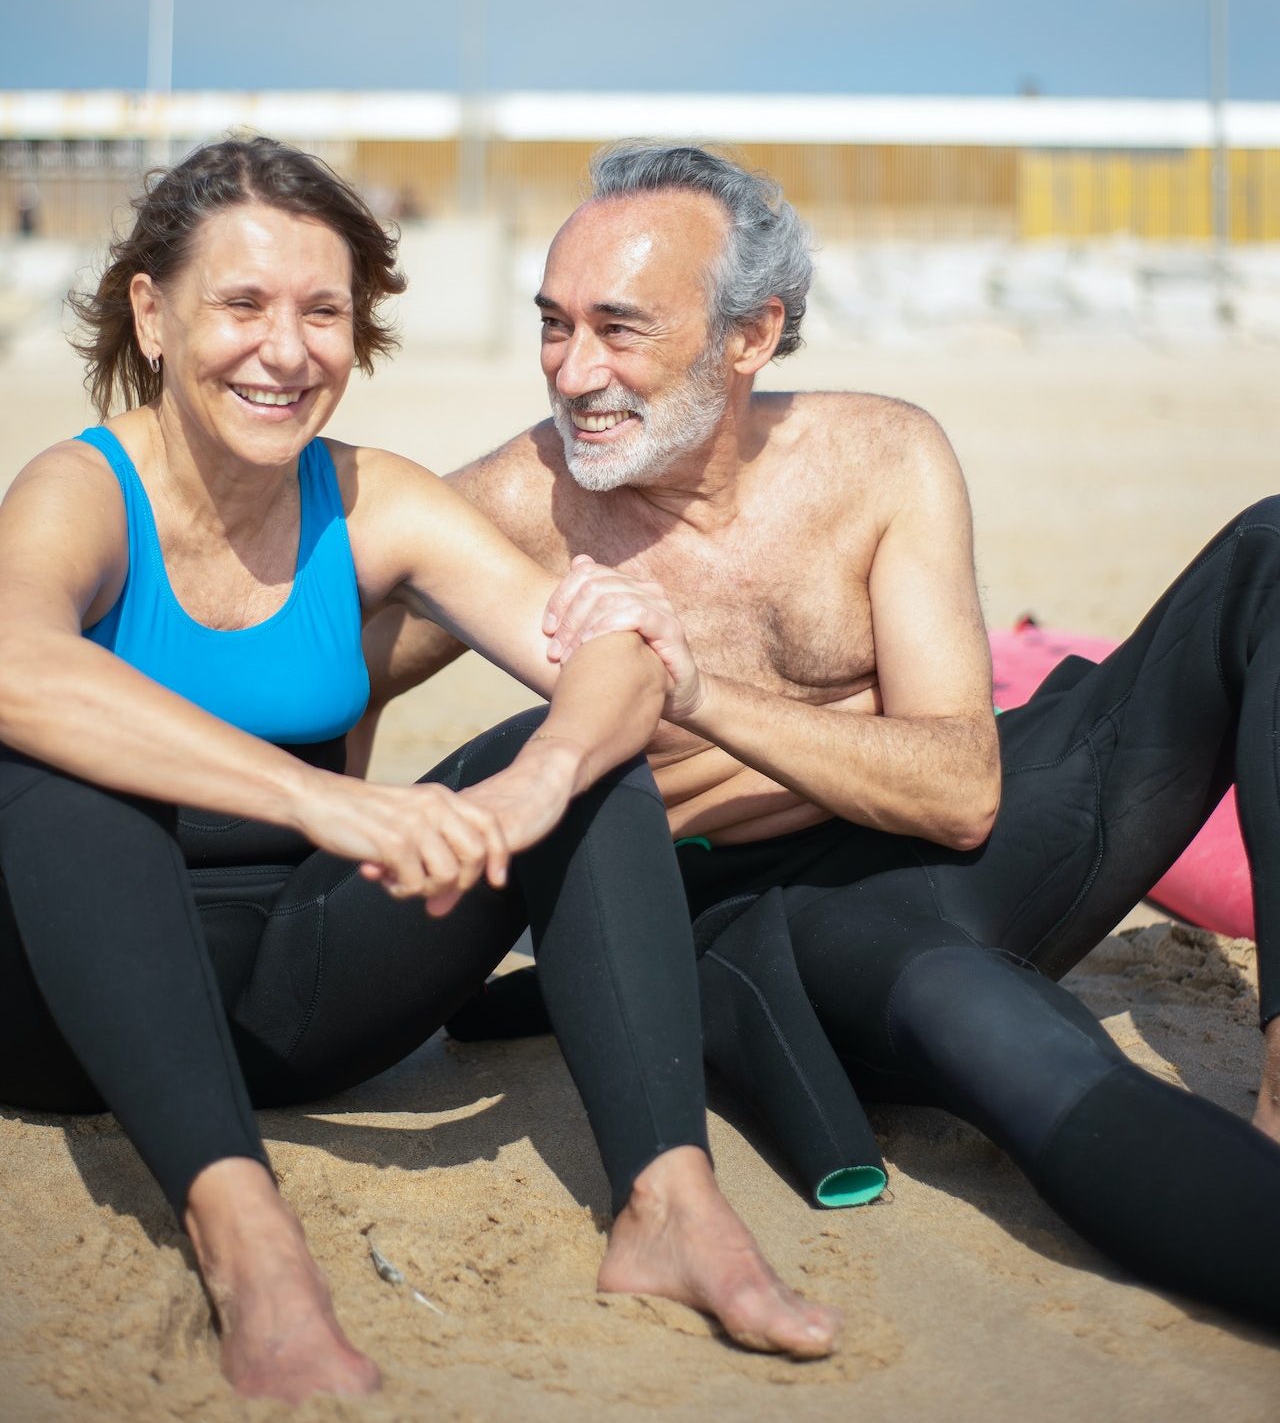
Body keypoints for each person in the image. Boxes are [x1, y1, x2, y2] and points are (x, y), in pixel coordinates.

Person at [357, 141, 1280, 1333]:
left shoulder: (879, 454)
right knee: (1000, 1039)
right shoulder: (516, 505)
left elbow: (960, 788)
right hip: (776, 922)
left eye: (618, 328)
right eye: (552, 324)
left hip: (973, 824)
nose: (572, 372)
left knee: (1266, 553)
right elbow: (332, 668)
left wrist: (698, 695)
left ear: (749, 336)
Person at [0, 137, 842, 1406]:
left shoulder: (370, 500)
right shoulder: (83, 491)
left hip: (297, 1000)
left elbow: (612, 649)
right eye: (241, 304)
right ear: (152, 315)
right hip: (71, 1017)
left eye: (320, 312)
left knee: (592, 761)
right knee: (59, 770)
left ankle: (667, 1201)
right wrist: (319, 798)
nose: (284, 351)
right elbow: (15, 664)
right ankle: (250, 1240)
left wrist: (539, 779)